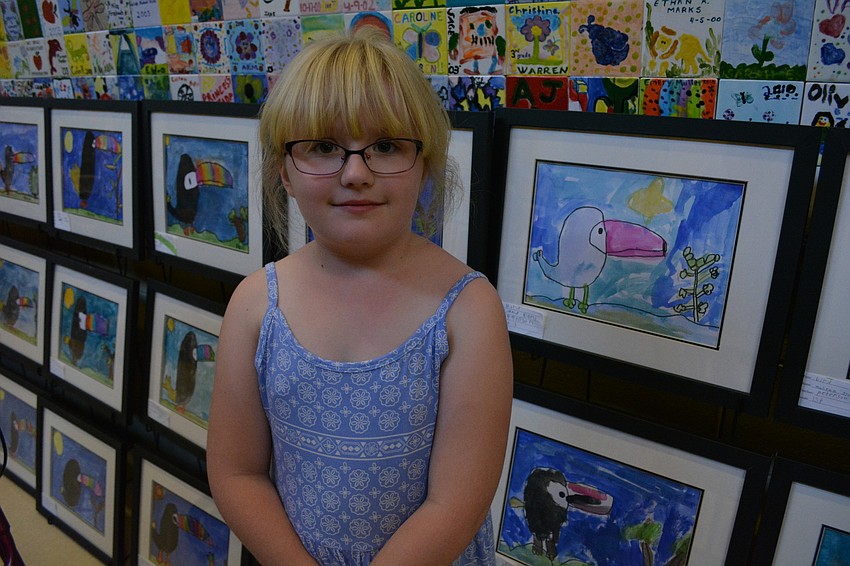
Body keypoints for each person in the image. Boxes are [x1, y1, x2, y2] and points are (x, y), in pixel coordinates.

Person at [207, 27, 513, 566]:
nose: (355, 173)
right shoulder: (257, 304)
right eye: (324, 146)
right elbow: (237, 472)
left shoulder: (468, 310)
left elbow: (455, 503)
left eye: (387, 146)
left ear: (425, 164)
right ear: (283, 169)